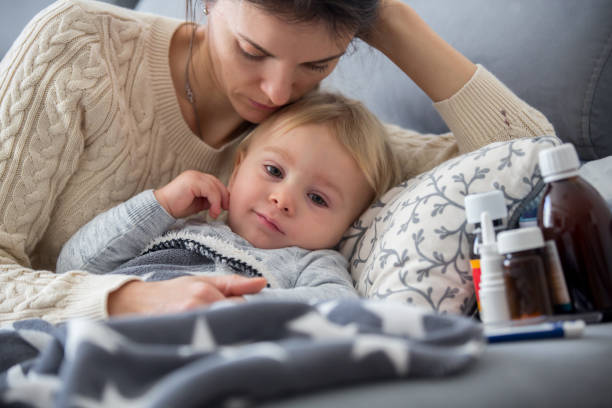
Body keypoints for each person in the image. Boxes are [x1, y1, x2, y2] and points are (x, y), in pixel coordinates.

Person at [0, 0, 555, 326]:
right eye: (252, 51)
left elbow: (535, 164)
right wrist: (128, 300)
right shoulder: (80, 47)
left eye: (318, 63)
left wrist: (387, 20)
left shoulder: (312, 136)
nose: (276, 90)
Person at [56, 91, 401, 305]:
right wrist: (158, 205)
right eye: (274, 171)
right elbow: (73, 266)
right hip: (98, 328)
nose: (282, 199)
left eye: (317, 198)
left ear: (349, 225)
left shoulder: (309, 264)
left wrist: (237, 306)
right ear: (237, 169)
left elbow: (338, 309)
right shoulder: (178, 222)